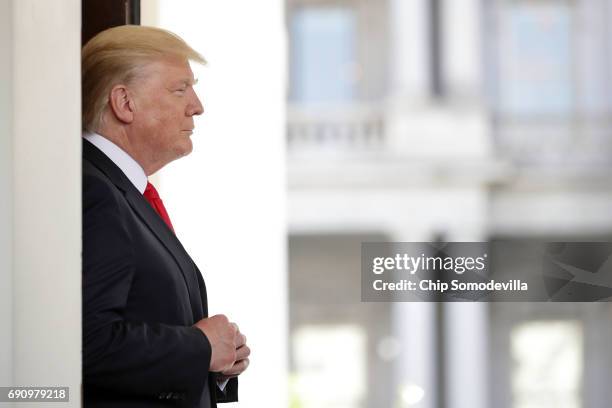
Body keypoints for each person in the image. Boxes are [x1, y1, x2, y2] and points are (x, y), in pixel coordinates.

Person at [81, 25, 250, 407]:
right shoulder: (93, 191)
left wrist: (214, 362)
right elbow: (87, 343)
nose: (197, 105)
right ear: (124, 103)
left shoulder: (120, 190)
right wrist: (201, 347)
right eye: (180, 89)